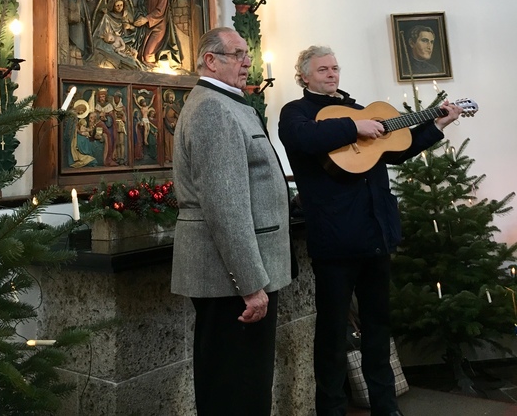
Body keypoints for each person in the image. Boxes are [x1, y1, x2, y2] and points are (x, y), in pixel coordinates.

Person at [278, 45, 462, 416]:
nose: (332, 74)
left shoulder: (356, 108)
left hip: (376, 234)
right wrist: (353, 126)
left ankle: (386, 406)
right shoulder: (296, 113)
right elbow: (302, 140)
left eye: (335, 68)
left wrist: (436, 124)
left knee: (378, 329)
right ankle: (330, 409)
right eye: (324, 69)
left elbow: (395, 150)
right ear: (304, 76)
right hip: (334, 240)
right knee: (331, 333)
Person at [171, 26, 294, 416]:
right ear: (211, 61)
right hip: (230, 280)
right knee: (235, 389)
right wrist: (251, 284)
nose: (247, 63)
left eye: (247, 55)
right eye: (238, 55)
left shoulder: (229, 103)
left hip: (236, 276)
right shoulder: (212, 108)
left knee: (244, 383)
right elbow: (226, 207)